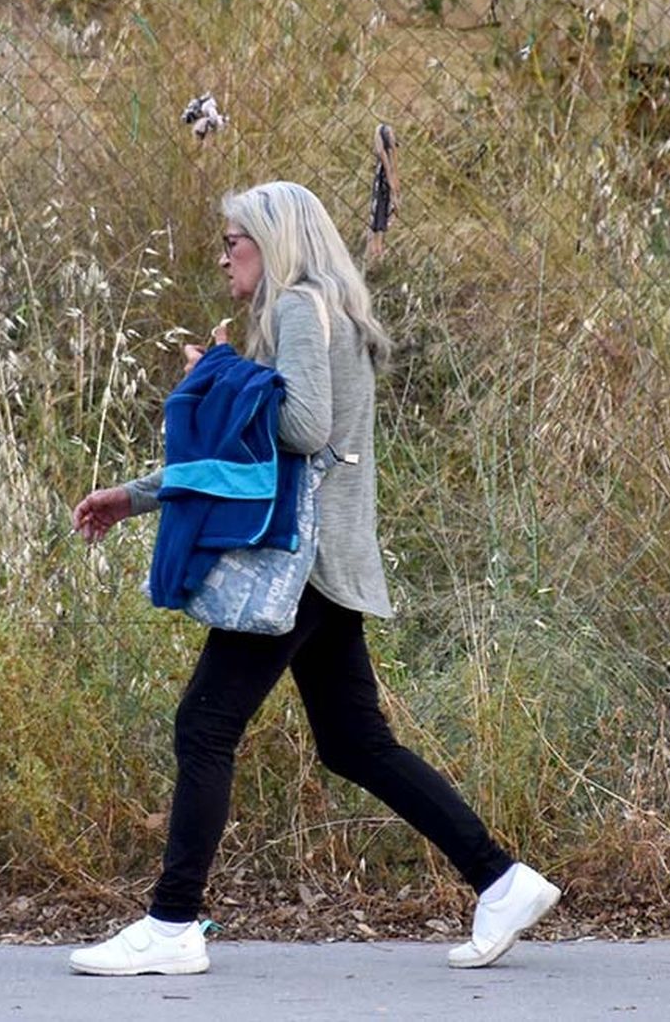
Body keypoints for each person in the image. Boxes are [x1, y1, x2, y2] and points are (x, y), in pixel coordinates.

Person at [68, 181, 559, 977]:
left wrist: (219, 373)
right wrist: (136, 496)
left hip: (294, 568)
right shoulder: (327, 306)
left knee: (205, 724)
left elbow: (301, 426)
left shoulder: (299, 305)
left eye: (235, 239)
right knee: (355, 741)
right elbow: (253, 455)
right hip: (331, 563)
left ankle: (172, 922)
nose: (224, 254)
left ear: (274, 240)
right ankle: (501, 878)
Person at [365, 122, 399, 262]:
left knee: (380, 217)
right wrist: (393, 184)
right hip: (383, 184)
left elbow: (392, 167)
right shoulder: (385, 155)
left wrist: (394, 186)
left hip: (383, 185)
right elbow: (386, 158)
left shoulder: (388, 153)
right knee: (379, 217)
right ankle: (375, 250)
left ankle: (376, 250)